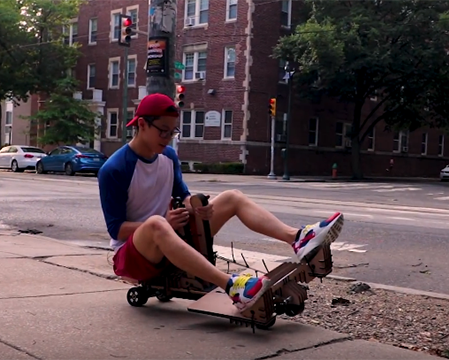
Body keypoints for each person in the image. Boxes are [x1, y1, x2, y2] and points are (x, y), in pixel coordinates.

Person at [97, 93, 344, 311]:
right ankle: (232, 286)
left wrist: (195, 205)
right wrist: (165, 222)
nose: (169, 138)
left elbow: (182, 193)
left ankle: (298, 238)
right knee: (155, 224)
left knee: (231, 197)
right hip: (134, 256)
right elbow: (116, 229)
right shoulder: (115, 169)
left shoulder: (168, 156)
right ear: (141, 124)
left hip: (168, 237)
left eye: (173, 131)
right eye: (163, 130)